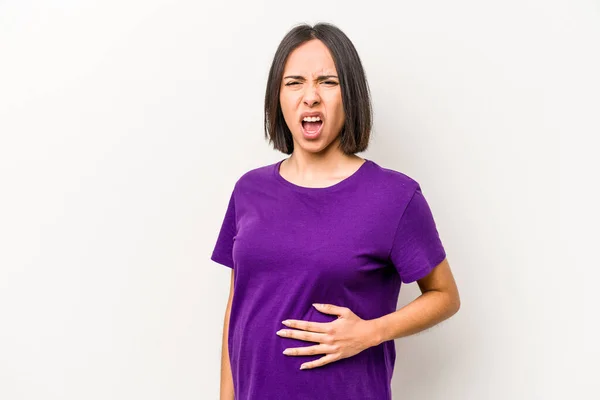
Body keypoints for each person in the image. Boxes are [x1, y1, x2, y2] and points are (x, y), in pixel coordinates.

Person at [210, 22, 460, 400]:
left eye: (328, 82)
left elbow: (445, 296)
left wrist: (371, 332)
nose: (310, 96)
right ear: (277, 97)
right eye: (294, 82)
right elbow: (238, 308)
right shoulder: (249, 190)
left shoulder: (394, 197)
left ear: (351, 95)